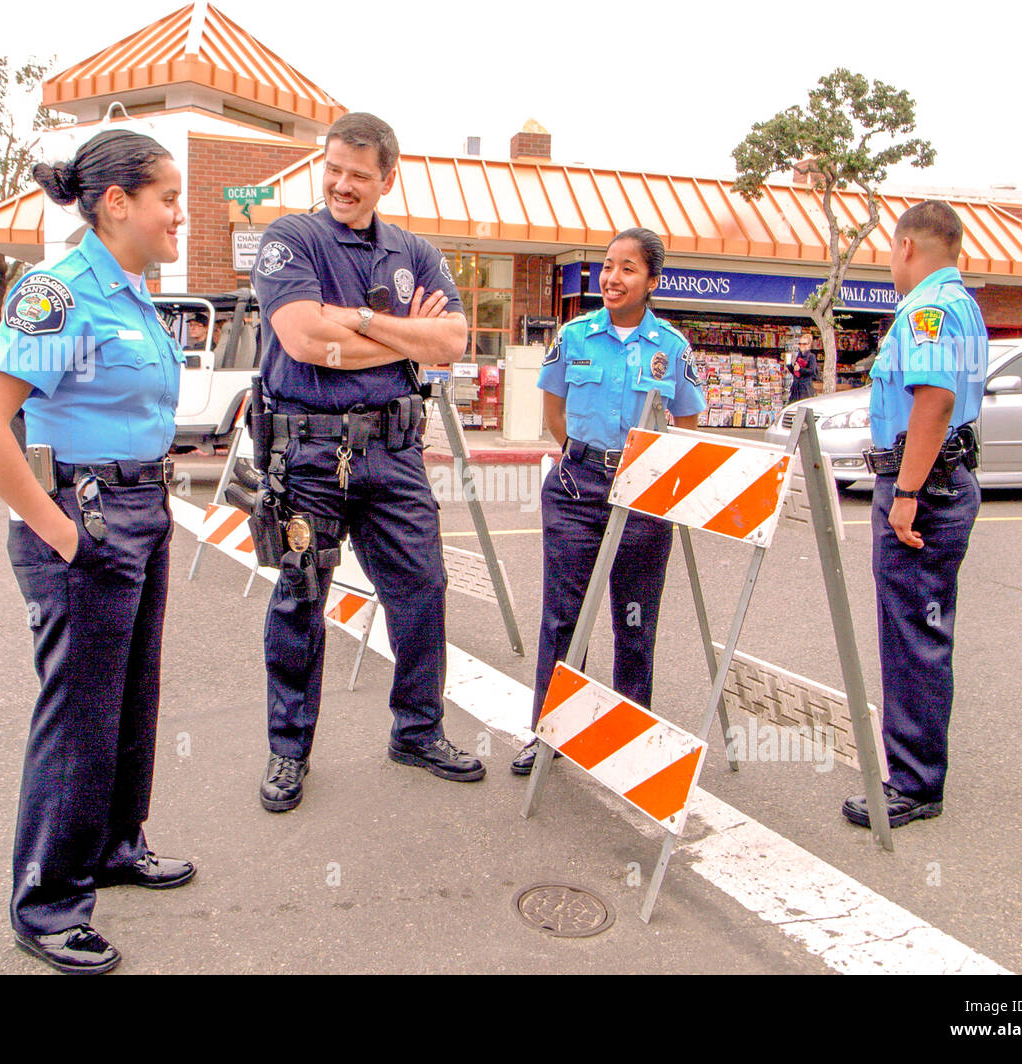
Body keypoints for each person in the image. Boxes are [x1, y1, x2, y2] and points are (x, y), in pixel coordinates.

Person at [0, 130, 195, 974]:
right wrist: (62, 535)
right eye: (169, 197)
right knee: (79, 719)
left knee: (130, 699)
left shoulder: (132, 294)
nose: (181, 214)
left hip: (142, 509)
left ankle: (116, 846)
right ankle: (48, 905)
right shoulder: (60, 292)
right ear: (117, 202)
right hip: (85, 518)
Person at [250, 112, 484, 813]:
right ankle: (288, 751)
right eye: (334, 170)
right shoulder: (291, 239)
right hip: (310, 454)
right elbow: (300, 339)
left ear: (388, 177)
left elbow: (453, 342)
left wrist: (355, 320)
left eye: (359, 174)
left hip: (393, 451)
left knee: (423, 589)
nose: (343, 185)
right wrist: (409, 338)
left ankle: (417, 730)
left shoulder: (414, 251)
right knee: (300, 597)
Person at [512, 228, 705, 774]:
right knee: (563, 620)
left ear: (652, 281)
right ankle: (548, 734)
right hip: (577, 490)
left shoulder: (671, 347)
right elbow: (555, 412)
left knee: (635, 621)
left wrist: (649, 474)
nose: (613, 278)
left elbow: (687, 423)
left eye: (628, 269)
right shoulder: (574, 337)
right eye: (607, 266)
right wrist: (583, 458)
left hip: (643, 496)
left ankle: (633, 738)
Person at [841, 200, 986, 829]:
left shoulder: (926, 310)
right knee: (917, 632)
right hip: (940, 479)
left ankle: (916, 782)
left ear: (905, 247)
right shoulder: (962, 305)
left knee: (913, 638)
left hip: (924, 487)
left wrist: (905, 492)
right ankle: (914, 770)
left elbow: (934, 400)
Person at [788, 331, 818, 403]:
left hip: (805, 388)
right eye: (800, 344)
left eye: (804, 344)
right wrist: (789, 366)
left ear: (809, 344)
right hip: (796, 387)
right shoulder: (799, 355)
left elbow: (812, 371)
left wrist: (800, 369)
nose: (802, 346)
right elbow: (796, 372)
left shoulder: (811, 356)